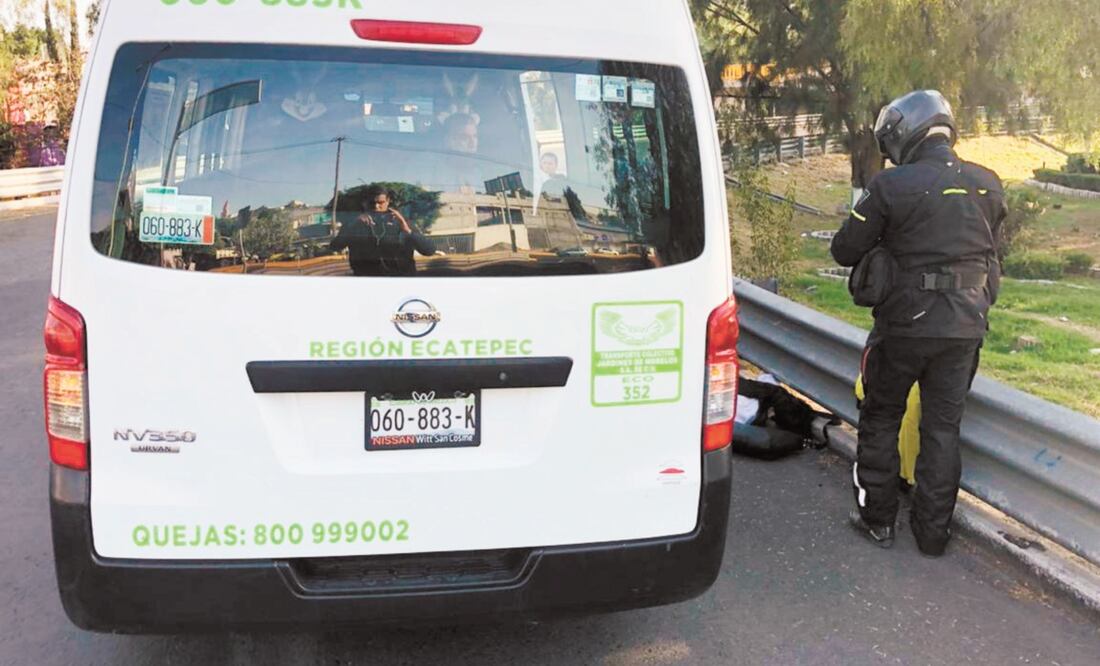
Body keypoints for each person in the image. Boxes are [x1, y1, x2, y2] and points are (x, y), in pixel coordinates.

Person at [830, 90, 1006, 556]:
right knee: (943, 428)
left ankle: (877, 520)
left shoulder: (891, 185)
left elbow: (844, 249)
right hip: (965, 326)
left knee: (881, 416)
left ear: (905, 134)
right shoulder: (988, 184)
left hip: (903, 326)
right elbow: (993, 253)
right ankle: (932, 536)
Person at [330, 187, 435, 276]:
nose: (376, 206)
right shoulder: (355, 224)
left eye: (380, 203)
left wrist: (407, 230)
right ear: (365, 203)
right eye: (372, 203)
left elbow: (429, 251)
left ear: (388, 201)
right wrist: (353, 225)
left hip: (401, 280)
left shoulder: (401, 222)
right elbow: (335, 246)